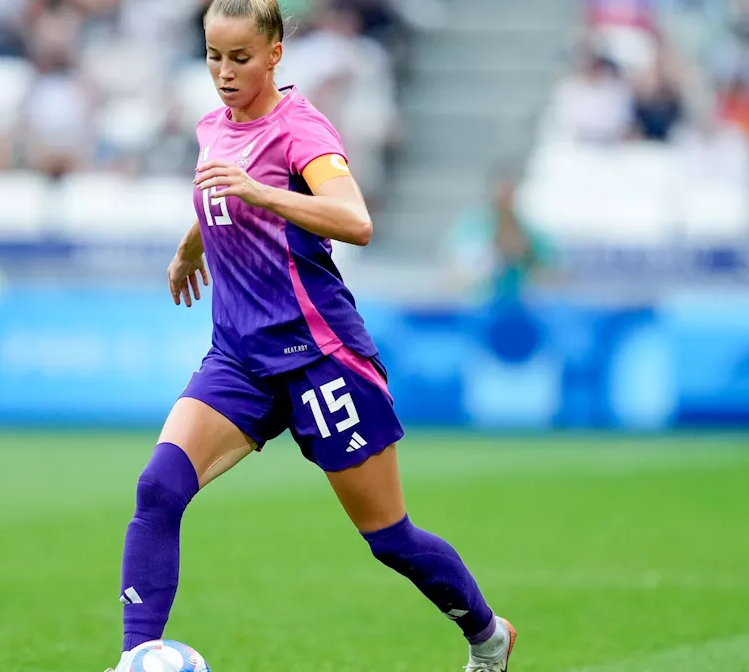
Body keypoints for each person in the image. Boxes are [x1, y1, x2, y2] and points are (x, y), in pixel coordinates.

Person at [107, 1, 515, 670]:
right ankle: (134, 659)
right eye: (214, 56)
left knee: (390, 538)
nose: (224, 72)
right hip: (239, 358)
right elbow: (223, 196)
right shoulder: (214, 126)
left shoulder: (301, 129)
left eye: (240, 58)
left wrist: (264, 194)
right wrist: (190, 249)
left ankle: (487, 636)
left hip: (318, 358)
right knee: (158, 488)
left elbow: (355, 220)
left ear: (274, 54)